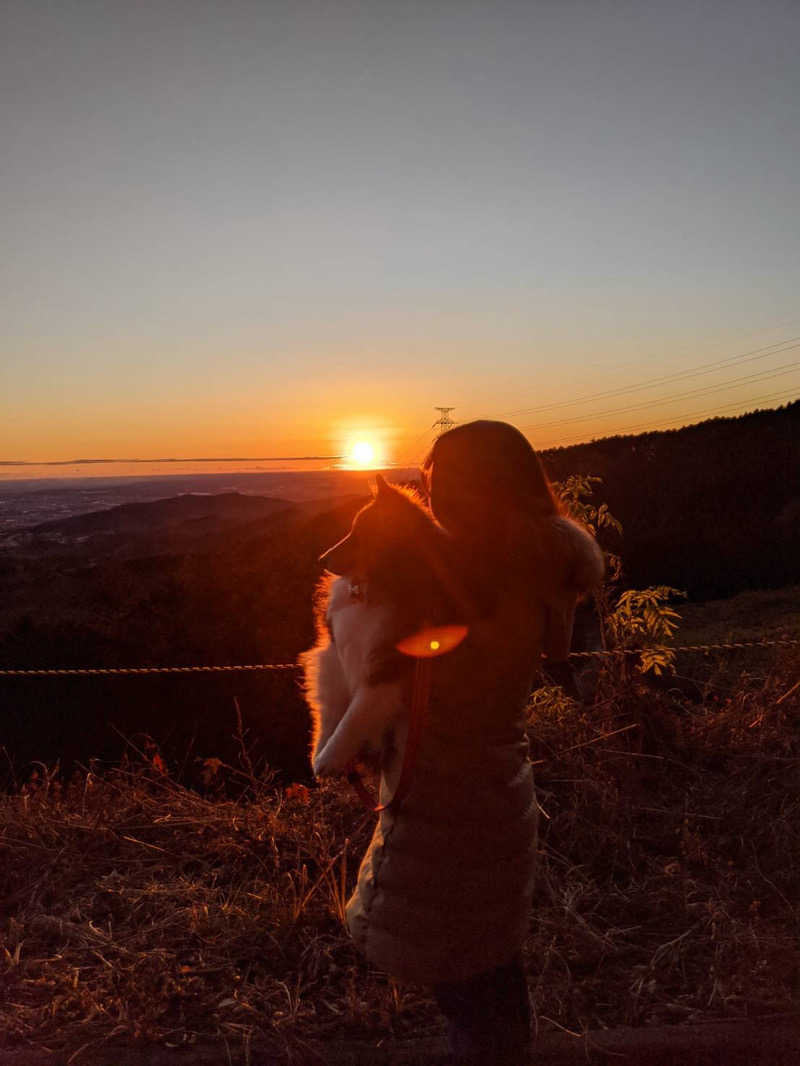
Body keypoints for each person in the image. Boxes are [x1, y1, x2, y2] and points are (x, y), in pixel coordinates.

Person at [338, 421, 603, 1064]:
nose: (438, 494)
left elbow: (370, 671)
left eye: (450, 480)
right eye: (433, 481)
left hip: (442, 796)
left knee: (466, 984)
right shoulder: (554, 563)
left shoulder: (442, 574)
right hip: (503, 783)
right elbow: (566, 658)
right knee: (491, 963)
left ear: (488, 484)